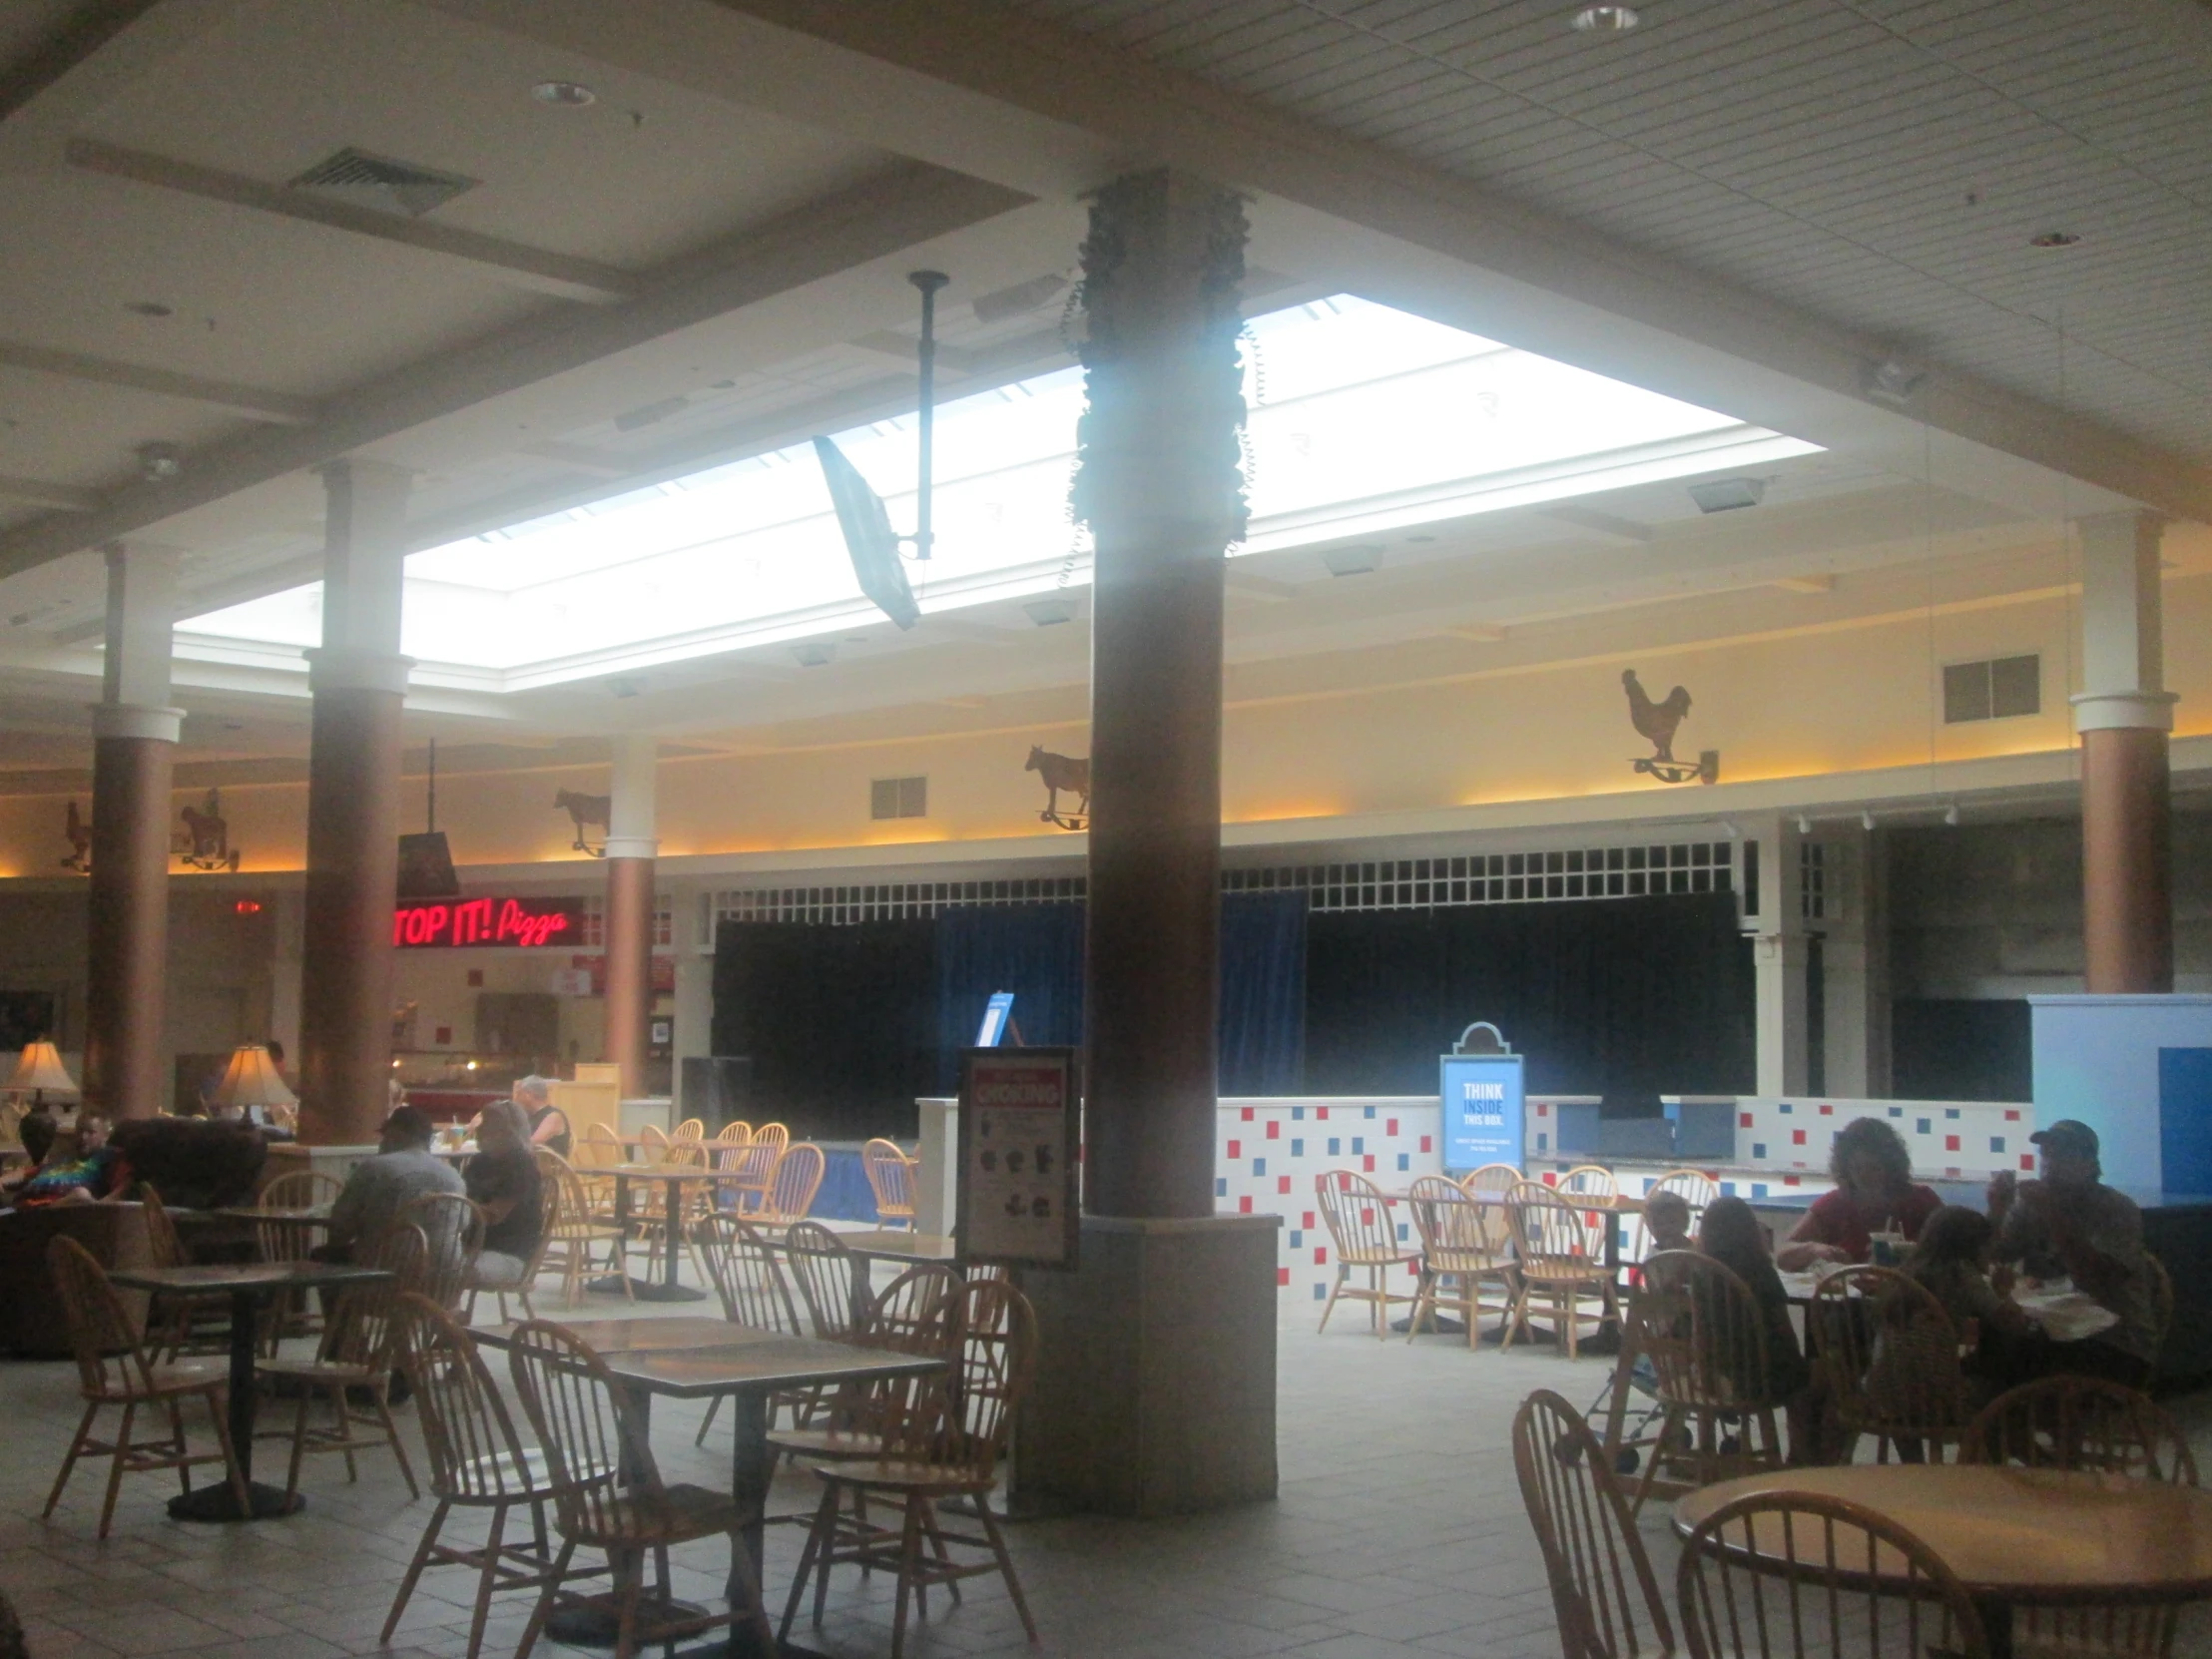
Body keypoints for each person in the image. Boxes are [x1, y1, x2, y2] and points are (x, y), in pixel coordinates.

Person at [1987, 1119, 2159, 1386]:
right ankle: (2002, 1422)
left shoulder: (2116, 1210)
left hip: (2115, 1340)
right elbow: (1997, 1256)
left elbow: (2094, 1281)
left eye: (2063, 1154)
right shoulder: (2029, 1205)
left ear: (2090, 1165)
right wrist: (1998, 1210)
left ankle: (2017, 1420)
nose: (2049, 1164)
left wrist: (2052, 1213)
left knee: (2020, 1364)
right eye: (2046, 1154)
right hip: (2055, 1326)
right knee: (1994, 1341)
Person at [1698, 1196, 1815, 1460]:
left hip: (1713, 1372)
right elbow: (1782, 1327)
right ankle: (1802, 1455)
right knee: (1817, 1381)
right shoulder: (1759, 1270)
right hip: (1755, 1375)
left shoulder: (1698, 1268)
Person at [1895, 1204, 2032, 1393]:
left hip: (1882, 1393)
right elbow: (2015, 1324)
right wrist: (2003, 1291)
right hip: (1931, 1400)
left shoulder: (1909, 1269)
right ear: (1973, 1246)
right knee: (2007, 1380)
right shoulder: (1962, 1273)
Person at [1777, 1117, 1942, 1270]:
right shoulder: (1835, 1204)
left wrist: (1917, 1256)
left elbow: (1955, 1251)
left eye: (1873, 1167)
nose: (1864, 1176)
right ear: (1845, 1169)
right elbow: (1782, 1256)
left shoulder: (1921, 1201)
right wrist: (1813, 1249)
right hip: (1848, 1300)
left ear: (1892, 1167)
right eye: (1857, 1168)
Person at [317, 1105, 463, 1264]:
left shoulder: (375, 1168)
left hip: (383, 1274)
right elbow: (462, 1226)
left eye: (384, 1136)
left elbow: (340, 1230)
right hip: (443, 1278)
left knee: (323, 1255)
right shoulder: (454, 1177)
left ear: (394, 1135)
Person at [464, 1098, 544, 1282]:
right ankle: (447, 1309)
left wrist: (452, 1207)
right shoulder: (479, 1161)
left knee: (444, 1270)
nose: (479, 1129)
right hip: (474, 1247)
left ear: (508, 1132)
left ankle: (447, 1310)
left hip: (509, 1255)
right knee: (420, 1260)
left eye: (488, 1124)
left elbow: (493, 1216)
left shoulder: (521, 1166)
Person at [9, 1112, 130, 1206]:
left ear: (105, 1136)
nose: (83, 1137)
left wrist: (100, 1207)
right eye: (80, 1131)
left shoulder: (111, 1157)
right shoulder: (65, 1158)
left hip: (60, 1209)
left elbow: (125, 1185)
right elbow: (26, 1173)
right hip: (26, 1204)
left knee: (81, 1194)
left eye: (90, 1132)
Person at [513, 1075, 571, 1159]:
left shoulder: (553, 1116)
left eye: (519, 1094)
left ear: (528, 1095)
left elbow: (531, 1144)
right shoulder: (529, 1115)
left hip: (548, 1169)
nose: (516, 1099)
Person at [1641, 1190, 1694, 1257]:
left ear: (1685, 1222)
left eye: (1672, 1222)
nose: (1665, 1228)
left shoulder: (1693, 1253)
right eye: (1658, 1224)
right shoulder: (1653, 1254)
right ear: (1649, 1227)